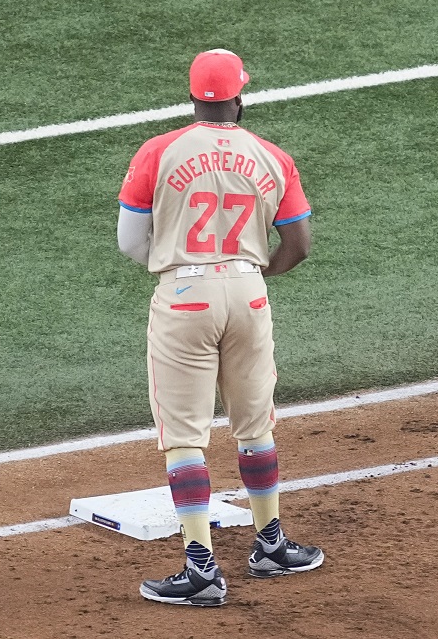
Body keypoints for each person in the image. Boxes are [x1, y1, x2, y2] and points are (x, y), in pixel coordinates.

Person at [117, 48, 324, 606]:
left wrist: (181, 271)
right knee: (255, 428)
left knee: (185, 438)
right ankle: (271, 543)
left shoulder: (158, 152)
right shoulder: (273, 156)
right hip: (249, 294)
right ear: (240, 98)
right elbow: (299, 245)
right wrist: (252, 275)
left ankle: (202, 568)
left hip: (184, 296)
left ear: (193, 98)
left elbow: (130, 242)